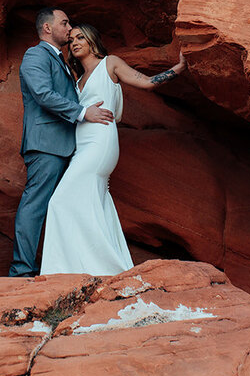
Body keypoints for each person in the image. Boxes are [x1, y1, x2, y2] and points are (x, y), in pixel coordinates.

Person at [40, 23, 187, 276]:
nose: (75, 42)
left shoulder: (111, 64)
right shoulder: (77, 78)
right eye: (71, 39)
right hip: (81, 145)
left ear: (91, 40)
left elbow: (148, 82)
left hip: (100, 143)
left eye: (80, 37)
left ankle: (74, 268)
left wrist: (179, 67)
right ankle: (88, 269)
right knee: (93, 202)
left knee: (59, 202)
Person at [10, 8, 114, 277]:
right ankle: (22, 272)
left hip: (66, 148)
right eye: (64, 23)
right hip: (46, 145)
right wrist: (83, 112)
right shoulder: (36, 55)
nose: (69, 29)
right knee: (35, 206)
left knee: (64, 206)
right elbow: (43, 94)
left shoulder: (62, 61)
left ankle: (66, 267)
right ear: (47, 28)